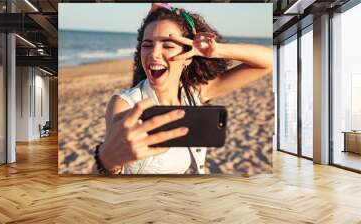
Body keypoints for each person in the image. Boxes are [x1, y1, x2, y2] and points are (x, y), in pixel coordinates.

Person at [92, 3, 272, 174]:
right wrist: (107, 162)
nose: (154, 54)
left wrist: (215, 51)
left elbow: (268, 61)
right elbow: (108, 177)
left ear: (187, 57)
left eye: (168, 45)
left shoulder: (194, 93)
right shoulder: (125, 106)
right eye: (147, 45)